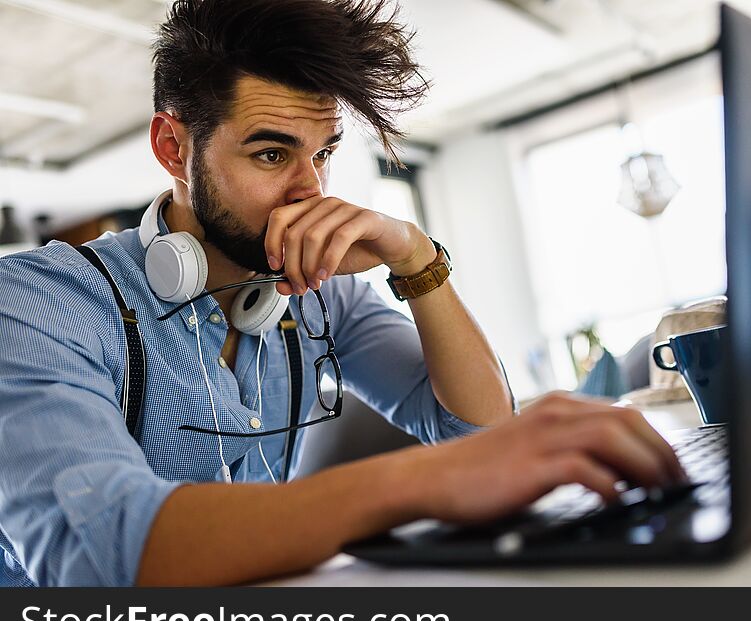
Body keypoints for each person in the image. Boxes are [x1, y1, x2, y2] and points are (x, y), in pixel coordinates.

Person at [0, 0, 685, 587]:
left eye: (322, 152)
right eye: (271, 154)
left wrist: (413, 253)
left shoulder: (317, 293)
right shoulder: (36, 304)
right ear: (173, 148)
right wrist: (427, 481)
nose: (311, 190)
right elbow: (104, 557)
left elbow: (480, 427)